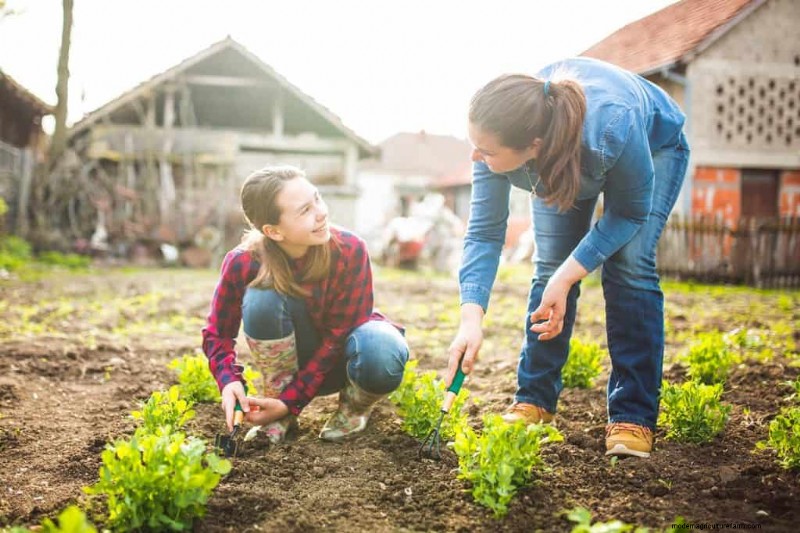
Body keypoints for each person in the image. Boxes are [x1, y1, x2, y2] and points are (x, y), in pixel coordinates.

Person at [445, 57, 690, 458]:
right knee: (549, 264)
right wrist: (470, 320)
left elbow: (628, 213)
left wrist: (568, 278)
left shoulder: (613, 125)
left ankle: (633, 414)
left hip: (653, 145)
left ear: (533, 147)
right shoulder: (499, 140)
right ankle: (535, 400)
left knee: (629, 266)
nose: (475, 157)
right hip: (562, 151)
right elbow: (485, 233)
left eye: (485, 150)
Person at [203, 165, 409, 444]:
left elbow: (338, 337)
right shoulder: (244, 262)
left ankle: (353, 409)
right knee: (261, 297)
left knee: (382, 349)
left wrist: (291, 401)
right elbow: (218, 334)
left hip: (344, 362)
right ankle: (278, 412)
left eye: (317, 199)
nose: (321, 212)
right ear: (273, 231)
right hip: (290, 365)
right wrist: (229, 381)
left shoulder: (350, 250)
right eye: (305, 211)